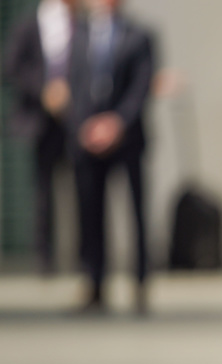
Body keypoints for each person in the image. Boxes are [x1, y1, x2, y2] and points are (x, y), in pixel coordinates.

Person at [66, 0, 155, 314]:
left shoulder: (140, 34)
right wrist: (85, 126)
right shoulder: (78, 34)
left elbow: (141, 86)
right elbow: (74, 85)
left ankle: (141, 284)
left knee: (136, 211)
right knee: (90, 214)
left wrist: (116, 123)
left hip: (127, 137)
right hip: (87, 138)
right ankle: (94, 285)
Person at [2, 0, 76, 276]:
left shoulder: (81, 25)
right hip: (40, 121)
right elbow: (12, 66)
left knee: (82, 190)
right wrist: (45, 91)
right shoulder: (26, 26)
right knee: (43, 192)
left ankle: (83, 257)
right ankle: (45, 258)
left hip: (74, 120)